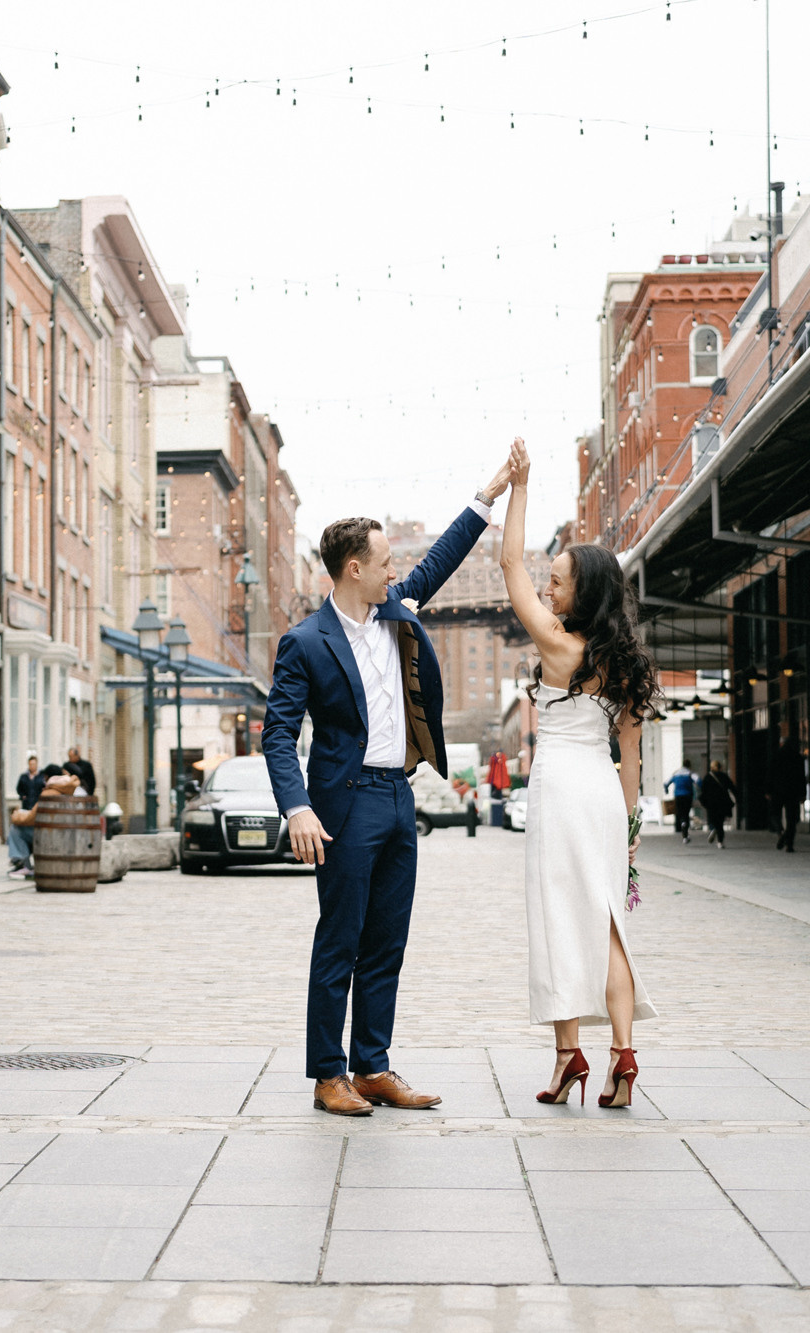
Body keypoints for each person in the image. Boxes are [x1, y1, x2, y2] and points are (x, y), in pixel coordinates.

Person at [261, 448, 516, 1118]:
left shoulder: (398, 610)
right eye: (384, 562)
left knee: (386, 942)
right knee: (339, 941)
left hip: (399, 797)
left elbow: (442, 559)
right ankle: (328, 1075)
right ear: (355, 568)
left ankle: (372, 1066)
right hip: (343, 806)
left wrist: (487, 493)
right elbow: (277, 733)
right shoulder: (305, 642)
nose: (396, 571)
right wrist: (297, 808)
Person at [498, 440, 661, 1111]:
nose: (547, 588)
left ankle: (569, 1055)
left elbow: (509, 563)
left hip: (561, 788)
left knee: (559, 917)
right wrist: (630, 827)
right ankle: (623, 1053)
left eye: (558, 581)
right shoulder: (626, 662)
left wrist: (519, 487)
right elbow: (632, 757)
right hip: (602, 794)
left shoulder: (558, 645)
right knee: (609, 922)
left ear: (581, 591)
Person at [770, 734, 806, 853]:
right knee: (792, 819)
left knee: (775, 814)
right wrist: (803, 794)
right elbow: (802, 777)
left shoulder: (776, 755)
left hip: (777, 791)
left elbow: (769, 774)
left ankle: (780, 832)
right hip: (793, 792)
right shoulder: (798, 757)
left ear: (781, 744)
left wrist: (768, 790)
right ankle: (789, 844)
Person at [699, 761, 737, 847]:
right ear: (720, 767)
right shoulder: (724, 776)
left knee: (713, 819)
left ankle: (714, 829)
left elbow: (703, 791)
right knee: (720, 822)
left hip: (711, 803)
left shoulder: (707, 777)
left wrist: (704, 802)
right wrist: (737, 797)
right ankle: (720, 841)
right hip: (722, 802)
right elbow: (732, 787)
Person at [667, 765, 698, 843]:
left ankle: (681, 825)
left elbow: (666, 783)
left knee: (680, 812)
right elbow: (699, 781)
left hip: (678, 796)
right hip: (688, 796)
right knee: (686, 813)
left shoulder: (676, 774)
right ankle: (685, 829)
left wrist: (666, 790)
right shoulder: (690, 774)